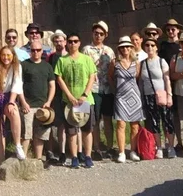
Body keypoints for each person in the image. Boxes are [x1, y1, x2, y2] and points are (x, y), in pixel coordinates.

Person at [55, 32, 96, 169]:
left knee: (86, 129)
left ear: (79, 43)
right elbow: (59, 79)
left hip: (85, 100)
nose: (72, 43)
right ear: (67, 43)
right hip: (69, 101)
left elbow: (92, 76)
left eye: (75, 41)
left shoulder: (86, 59)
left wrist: (84, 94)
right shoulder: (62, 60)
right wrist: (70, 97)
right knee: (71, 131)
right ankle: (73, 157)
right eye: (70, 41)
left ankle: (88, 156)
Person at [0, 45, 27, 161]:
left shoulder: (17, 67)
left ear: (13, 56)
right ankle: (1, 160)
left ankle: (18, 145)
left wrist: (11, 102)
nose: (6, 58)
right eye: (3, 55)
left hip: (9, 95)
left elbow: (17, 86)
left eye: (8, 55)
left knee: (14, 113)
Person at [82, 20, 115, 159]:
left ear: (105, 35)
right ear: (92, 33)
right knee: (94, 119)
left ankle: (109, 146)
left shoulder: (109, 51)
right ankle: (96, 147)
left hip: (107, 88)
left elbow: (113, 68)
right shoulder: (86, 50)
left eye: (101, 34)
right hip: (93, 89)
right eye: (96, 33)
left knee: (108, 119)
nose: (98, 36)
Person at [139, 35, 174, 159]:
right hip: (149, 96)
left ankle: (170, 146)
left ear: (156, 48)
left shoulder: (161, 61)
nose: (149, 47)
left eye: (152, 45)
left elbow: (167, 78)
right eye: (147, 45)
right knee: (154, 122)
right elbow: (141, 82)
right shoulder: (142, 63)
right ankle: (159, 147)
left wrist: (169, 95)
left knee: (167, 120)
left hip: (162, 94)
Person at [21, 39, 56, 160]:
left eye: (38, 50)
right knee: (26, 134)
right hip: (28, 106)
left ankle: (38, 160)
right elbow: (18, 85)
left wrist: (48, 102)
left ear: (42, 51)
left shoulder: (47, 66)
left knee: (40, 135)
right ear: (30, 51)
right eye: (33, 50)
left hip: (43, 106)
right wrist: (23, 102)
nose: (35, 52)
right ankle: (23, 159)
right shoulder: (24, 65)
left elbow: (52, 85)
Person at [110, 36, 144, 163]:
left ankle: (133, 151)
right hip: (120, 96)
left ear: (131, 48)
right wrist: (115, 90)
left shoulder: (137, 63)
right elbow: (110, 76)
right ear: (119, 48)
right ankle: (122, 152)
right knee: (121, 124)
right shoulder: (115, 62)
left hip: (134, 96)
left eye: (128, 46)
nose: (125, 48)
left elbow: (138, 78)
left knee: (135, 126)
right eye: (123, 46)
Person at [156, 19, 183, 150]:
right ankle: (177, 142)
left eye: (173, 29)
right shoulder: (163, 46)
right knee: (172, 115)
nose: (171, 31)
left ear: (178, 30)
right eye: (168, 30)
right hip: (169, 83)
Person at [46, 29, 69, 164]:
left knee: (68, 124)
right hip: (55, 93)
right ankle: (51, 151)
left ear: (65, 41)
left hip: (69, 93)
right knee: (53, 122)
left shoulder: (70, 56)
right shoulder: (51, 57)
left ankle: (64, 151)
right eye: (56, 41)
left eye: (60, 40)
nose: (59, 43)